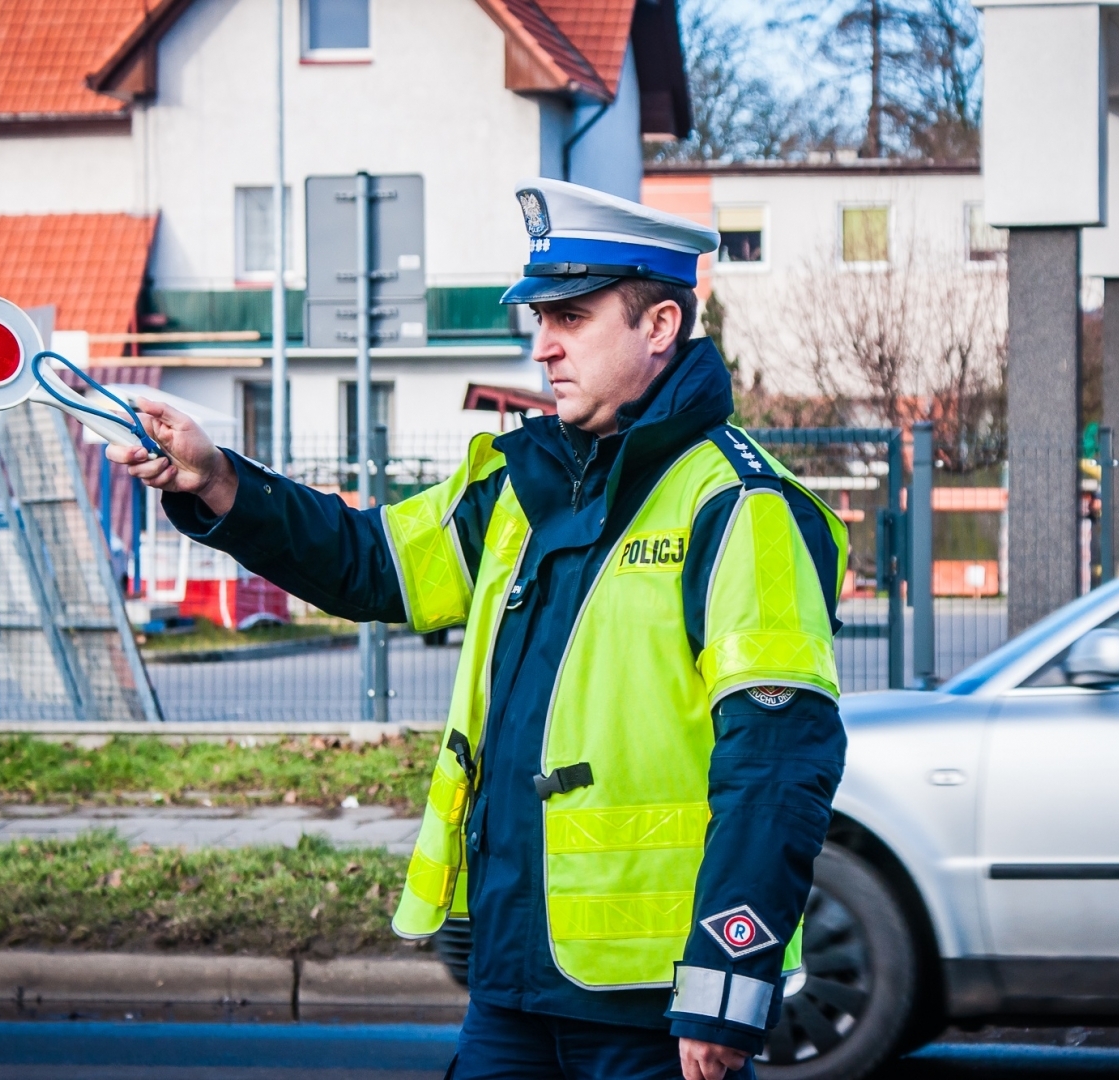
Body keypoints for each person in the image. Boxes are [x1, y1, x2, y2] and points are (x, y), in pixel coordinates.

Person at [110, 178, 849, 1080]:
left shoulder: (741, 503)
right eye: (539, 318)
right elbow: (369, 560)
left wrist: (727, 986)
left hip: (655, 1008)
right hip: (511, 979)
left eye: (570, 317)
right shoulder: (517, 480)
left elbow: (776, 763)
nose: (542, 346)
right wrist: (217, 481)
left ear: (659, 326)